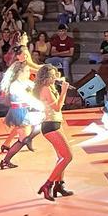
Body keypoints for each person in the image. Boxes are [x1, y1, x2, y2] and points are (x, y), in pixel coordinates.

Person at [32, 65, 75, 201]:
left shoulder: (49, 87)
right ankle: (48, 184)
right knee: (68, 157)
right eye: (51, 76)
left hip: (55, 123)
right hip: (50, 125)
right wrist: (63, 91)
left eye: (54, 75)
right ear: (45, 78)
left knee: (61, 157)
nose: (54, 78)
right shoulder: (45, 89)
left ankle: (59, 185)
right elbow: (56, 107)